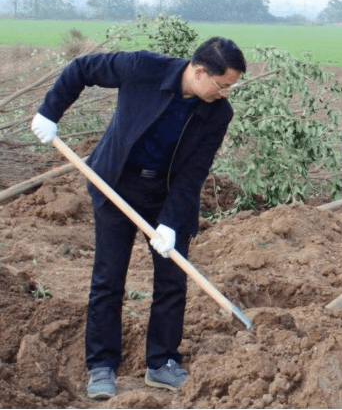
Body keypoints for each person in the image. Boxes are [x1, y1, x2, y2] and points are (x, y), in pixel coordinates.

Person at [31, 37, 247, 399]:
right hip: (115, 180)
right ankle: (101, 366)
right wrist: (49, 112)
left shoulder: (218, 113)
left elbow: (194, 172)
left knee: (172, 279)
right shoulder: (144, 68)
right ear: (198, 72)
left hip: (166, 194)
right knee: (109, 277)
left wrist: (171, 222)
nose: (226, 94)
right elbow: (82, 69)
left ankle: (161, 363)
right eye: (222, 85)